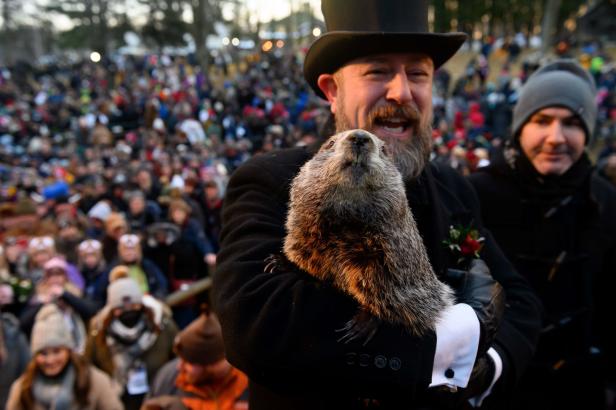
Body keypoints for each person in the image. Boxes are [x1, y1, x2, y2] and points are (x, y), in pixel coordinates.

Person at [213, 0, 542, 408]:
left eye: (418, 74)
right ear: (332, 91)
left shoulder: (453, 187)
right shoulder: (270, 180)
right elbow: (254, 322)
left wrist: (489, 365)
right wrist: (451, 346)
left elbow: (520, 299)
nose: (401, 91)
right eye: (377, 71)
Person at [468, 59, 616, 409]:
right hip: (492, 389)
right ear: (520, 127)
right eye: (542, 121)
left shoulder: (607, 202)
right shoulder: (474, 195)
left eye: (571, 124)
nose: (556, 138)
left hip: (578, 390)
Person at [85, 268, 178, 410]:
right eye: (120, 308)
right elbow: (89, 367)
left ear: (141, 305)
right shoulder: (100, 333)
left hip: (159, 399)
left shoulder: (162, 327)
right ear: (112, 310)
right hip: (118, 401)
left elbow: (179, 362)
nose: (128, 310)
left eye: (133, 305)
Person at [6, 304, 122, 410]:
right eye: (43, 353)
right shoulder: (22, 388)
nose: (50, 360)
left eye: (57, 351)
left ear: (68, 350)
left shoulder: (94, 381)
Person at [143, 310, 249, 410]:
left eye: (187, 362)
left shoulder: (249, 380)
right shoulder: (167, 378)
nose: (179, 366)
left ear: (212, 364)